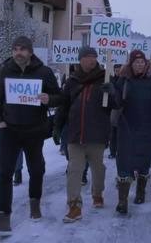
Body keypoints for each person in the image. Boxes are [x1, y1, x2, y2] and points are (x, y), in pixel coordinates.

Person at [0, 36, 62, 236]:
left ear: (30, 52)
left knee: (36, 169)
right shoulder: (6, 70)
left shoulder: (44, 72)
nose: (18, 52)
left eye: (22, 49)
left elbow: (60, 97)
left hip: (34, 129)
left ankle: (34, 203)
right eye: (15, 49)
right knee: (4, 172)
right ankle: (3, 216)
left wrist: (50, 99)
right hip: (9, 130)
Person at [54, 46, 119, 223]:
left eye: (94, 57)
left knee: (98, 168)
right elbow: (63, 105)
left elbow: (116, 104)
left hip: (97, 135)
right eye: (88, 57)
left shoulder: (105, 78)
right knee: (74, 170)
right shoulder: (73, 80)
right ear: (81, 59)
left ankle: (97, 193)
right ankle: (74, 206)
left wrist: (112, 93)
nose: (92, 60)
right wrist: (57, 127)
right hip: (75, 135)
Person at [114, 50, 151, 215]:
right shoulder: (123, 79)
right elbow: (116, 102)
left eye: (142, 62)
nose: (139, 65)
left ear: (146, 64)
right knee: (123, 163)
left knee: (144, 162)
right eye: (136, 62)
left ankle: (140, 191)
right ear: (130, 64)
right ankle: (122, 201)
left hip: (147, 128)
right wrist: (110, 92)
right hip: (127, 127)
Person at [108, 64, 123, 159]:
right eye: (116, 70)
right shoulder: (111, 80)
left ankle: (120, 151)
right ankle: (112, 151)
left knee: (121, 132)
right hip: (113, 108)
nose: (118, 72)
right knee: (113, 132)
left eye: (119, 70)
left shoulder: (125, 80)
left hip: (123, 108)